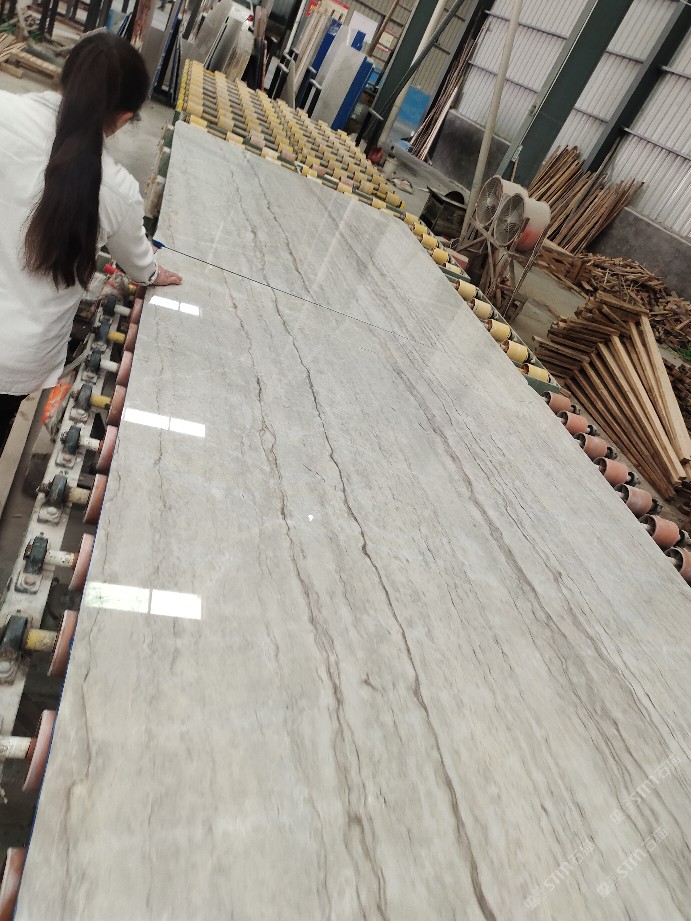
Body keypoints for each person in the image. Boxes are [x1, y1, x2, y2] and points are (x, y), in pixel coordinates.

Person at [0, 33, 182, 452]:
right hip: (16, 357)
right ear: (125, 117)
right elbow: (139, 264)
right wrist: (154, 272)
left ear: (65, 75)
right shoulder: (117, 190)